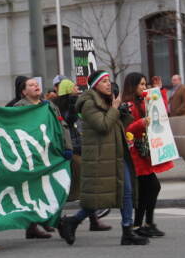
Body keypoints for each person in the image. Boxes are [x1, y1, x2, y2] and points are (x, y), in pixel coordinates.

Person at [58, 70, 148, 246]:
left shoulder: (107, 102)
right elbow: (103, 125)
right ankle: (72, 222)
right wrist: (114, 108)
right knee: (99, 198)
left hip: (117, 154)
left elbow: (120, 125)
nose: (109, 84)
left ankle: (127, 231)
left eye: (109, 81)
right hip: (101, 157)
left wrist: (123, 112)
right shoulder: (88, 103)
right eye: (104, 81)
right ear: (96, 85)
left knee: (126, 193)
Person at [11, 77, 73, 238]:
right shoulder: (19, 108)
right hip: (33, 157)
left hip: (52, 154)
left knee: (54, 187)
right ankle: (55, 224)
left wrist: (67, 146)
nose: (36, 86)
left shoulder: (49, 105)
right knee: (35, 191)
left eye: (37, 84)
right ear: (24, 92)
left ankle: (47, 223)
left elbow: (61, 125)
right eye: (31, 85)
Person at [53, 79, 111, 232]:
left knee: (85, 187)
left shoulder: (74, 104)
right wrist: (73, 102)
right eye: (73, 87)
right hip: (71, 153)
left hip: (79, 149)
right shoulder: (60, 108)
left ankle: (91, 219)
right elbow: (70, 119)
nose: (77, 88)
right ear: (67, 90)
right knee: (82, 187)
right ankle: (69, 220)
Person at [122, 72, 174, 238]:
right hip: (136, 152)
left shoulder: (141, 101)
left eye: (145, 84)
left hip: (145, 151)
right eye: (141, 85)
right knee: (150, 187)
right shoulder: (127, 105)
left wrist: (160, 91)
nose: (144, 87)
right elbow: (126, 129)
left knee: (148, 189)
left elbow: (161, 113)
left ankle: (144, 223)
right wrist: (141, 123)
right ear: (133, 86)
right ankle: (142, 224)